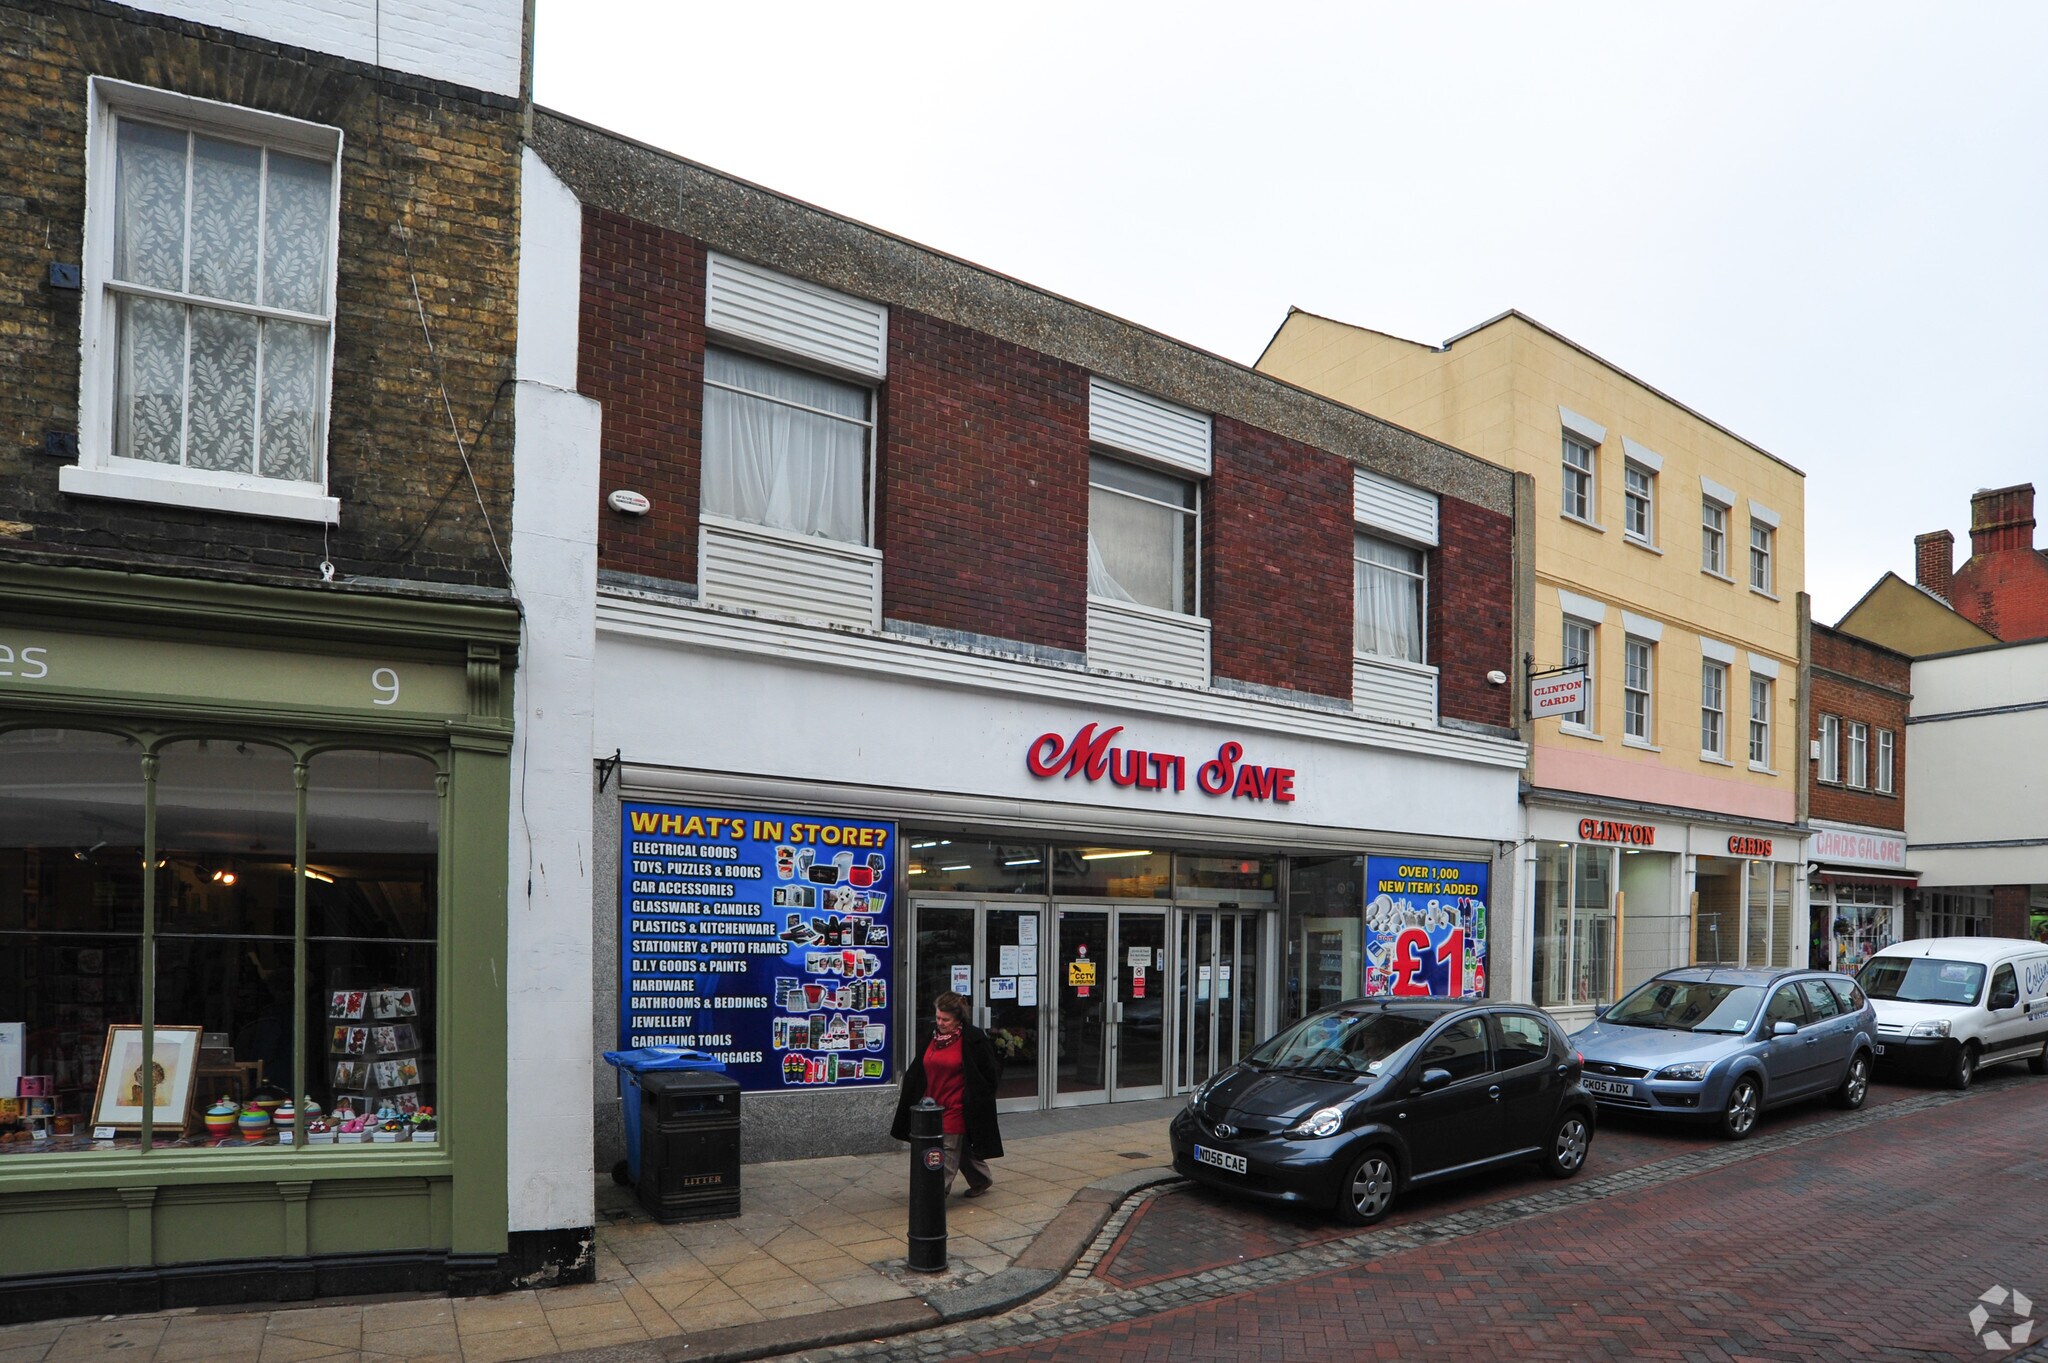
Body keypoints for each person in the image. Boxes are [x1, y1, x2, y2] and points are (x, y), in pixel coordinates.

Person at [891, 991, 1002, 1196]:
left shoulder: (974, 1039)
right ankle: (981, 1179)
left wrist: (979, 1098)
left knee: (945, 1151)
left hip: (958, 1105)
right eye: (938, 1017)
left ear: (958, 1019)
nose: (940, 1022)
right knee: (961, 1149)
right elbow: (920, 1068)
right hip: (931, 1105)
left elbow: (989, 1073)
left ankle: (933, 1197)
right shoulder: (933, 1037)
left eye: (945, 1019)